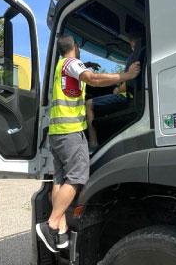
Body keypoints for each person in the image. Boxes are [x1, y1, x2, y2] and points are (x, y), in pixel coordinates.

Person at [36, 34, 140, 252]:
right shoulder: (73, 62)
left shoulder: (59, 66)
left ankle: (60, 229)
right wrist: (126, 75)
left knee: (60, 179)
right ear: (75, 47)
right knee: (77, 176)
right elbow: (92, 79)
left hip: (57, 133)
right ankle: (51, 224)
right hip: (70, 132)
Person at [86, 31, 145, 149]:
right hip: (137, 96)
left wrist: (117, 90)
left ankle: (93, 142)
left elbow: (129, 82)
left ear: (131, 42)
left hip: (127, 97)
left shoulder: (134, 57)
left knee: (88, 104)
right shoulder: (144, 54)